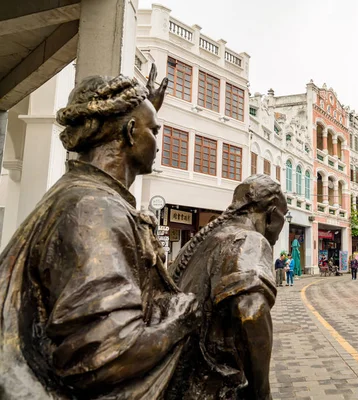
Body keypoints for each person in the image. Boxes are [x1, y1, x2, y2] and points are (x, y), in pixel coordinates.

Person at [0, 68, 204, 399]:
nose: (158, 142)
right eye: (154, 131)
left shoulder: (87, 195)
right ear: (129, 132)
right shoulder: (95, 209)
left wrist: (144, 107)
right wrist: (180, 319)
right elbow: (103, 356)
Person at [168, 174, 287, 398]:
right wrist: (261, 392)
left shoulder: (205, 240)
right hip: (213, 385)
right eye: (284, 216)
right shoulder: (248, 240)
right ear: (271, 215)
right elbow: (252, 312)